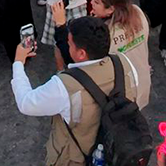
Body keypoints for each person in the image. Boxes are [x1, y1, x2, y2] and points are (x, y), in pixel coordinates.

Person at [9, 16, 140, 166]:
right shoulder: (123, 62)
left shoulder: (64, 85)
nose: (67, 45)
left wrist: (18, 62)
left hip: (77, 158)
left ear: (81, 54)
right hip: (117, 149)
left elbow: (26, 103)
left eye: (69, 43)